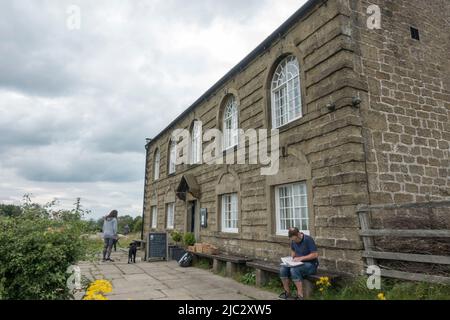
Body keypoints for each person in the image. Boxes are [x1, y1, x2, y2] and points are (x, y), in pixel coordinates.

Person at [279, 227, 319, 300]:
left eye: (295, 239)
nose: (294, 241)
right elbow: (293, 251)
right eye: (292, 240)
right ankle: (287, 292)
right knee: (283, 268)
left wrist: (301, 258)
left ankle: (300, 295)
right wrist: (291, 259)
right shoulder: (293, 241)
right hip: (299, 263)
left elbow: (315, 254)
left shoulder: (308, 239)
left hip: (311, 265)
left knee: (294, 270)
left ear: (298, 234)